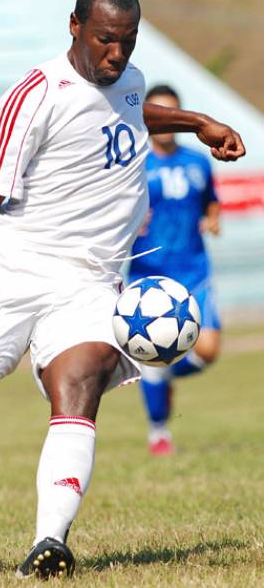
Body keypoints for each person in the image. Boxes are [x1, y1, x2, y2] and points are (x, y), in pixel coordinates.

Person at [0, 0, 245, 579]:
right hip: (13, 271)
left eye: (129, 41)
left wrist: (200, 122)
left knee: (80, 386)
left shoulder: (130, 82)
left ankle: (49, 542)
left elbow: (137, 110)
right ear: (75, 26)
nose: (118, 55)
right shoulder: (35, 94)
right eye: (106, 40)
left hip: (88, 283)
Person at [127, 84, 222, 457]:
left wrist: (213, 221)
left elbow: (211, 204)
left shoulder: (198, 162)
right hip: (148, 275)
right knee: (151, 354)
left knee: (209, 351)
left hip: (194, 269)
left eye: (173, 115)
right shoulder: (134, 165)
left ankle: (159, 377)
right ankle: (159, 433)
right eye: (159, 115)